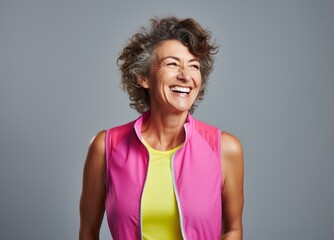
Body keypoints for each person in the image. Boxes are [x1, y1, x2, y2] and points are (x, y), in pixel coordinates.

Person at [79, 16, 244, 240]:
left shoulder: (224, 149)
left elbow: (233, 229)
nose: (185, 76)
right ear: (143, 77)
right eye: (172, 64)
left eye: (193, 66)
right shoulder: (106, 146)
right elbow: (88, 231)